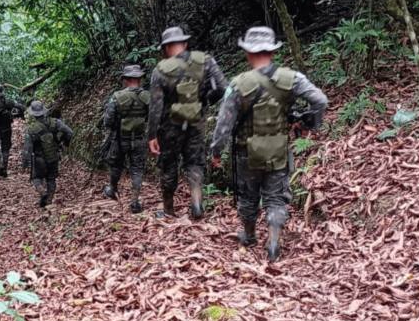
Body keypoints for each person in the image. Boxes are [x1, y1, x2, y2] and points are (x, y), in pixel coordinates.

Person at [210, 26, 328, 261]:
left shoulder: (237, 84)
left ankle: (250, 235)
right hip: (278, 149)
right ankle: (273, 242)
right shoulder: (292, 78)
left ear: (247, 53)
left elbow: (224, 124)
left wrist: (216, 151)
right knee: (275, 197)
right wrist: (306, 123)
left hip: (246, 152)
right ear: (273, 51)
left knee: (248, 196)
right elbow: (320, 100)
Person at [147, 27, 228, 219]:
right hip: (196, 121)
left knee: (168, 165)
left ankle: (168, 210)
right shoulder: (206, 61)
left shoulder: (160, 70)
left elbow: (155, 107)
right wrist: (205, 102)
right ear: (185, 43)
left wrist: (152, 135)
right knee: (195, 162)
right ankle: (197, 204)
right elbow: (224, 88)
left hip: (169, 127)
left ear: (166, 48)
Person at [103, 65, 150, 213]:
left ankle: (113, 188)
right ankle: (135, 201)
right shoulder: (148, 97)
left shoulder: (116, 97)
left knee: (115, 164)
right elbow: (153, 117)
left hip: (120, 139)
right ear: (141, 79)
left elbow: (108, 121)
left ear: (124, 80)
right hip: (139, 138)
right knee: (137, 169)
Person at [21, 101, 74, 208]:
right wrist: (64, 143)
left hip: (39, 159)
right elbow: (69, 132)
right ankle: (49, 200)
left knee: (36, 178)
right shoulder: (56, 123)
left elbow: (27, 148)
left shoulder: (31, 130)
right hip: (53, 156)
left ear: (33, 115)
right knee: (51, 178)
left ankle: (42, 193)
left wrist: (25, 164)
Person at [0, 84, 25, 177]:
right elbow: (21, 107)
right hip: (7, 129)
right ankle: (5, 166)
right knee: (6, 148)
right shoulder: (9, 102)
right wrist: (17, 114)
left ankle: (0, 163)